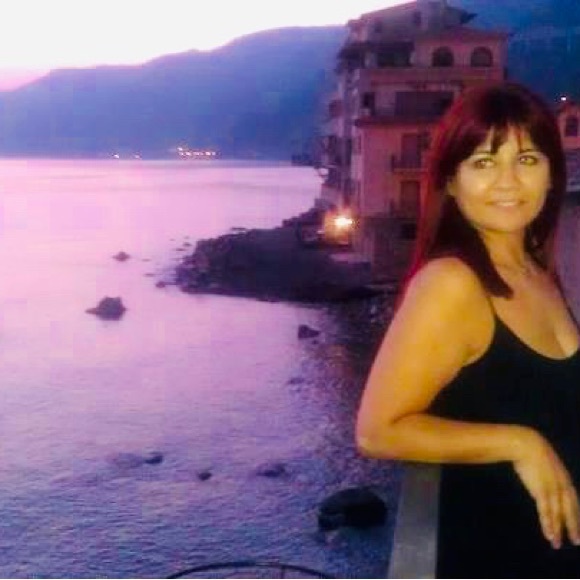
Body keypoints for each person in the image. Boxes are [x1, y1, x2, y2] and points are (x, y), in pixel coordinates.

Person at [356, 81, 580, 578]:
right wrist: (520, 443)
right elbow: (377, 431)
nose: (508, 181)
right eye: (483, 162)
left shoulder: (534, 269)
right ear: (452, 183)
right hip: (503, 556)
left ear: (551, 175)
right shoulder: (452, 284)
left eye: (527, 159)